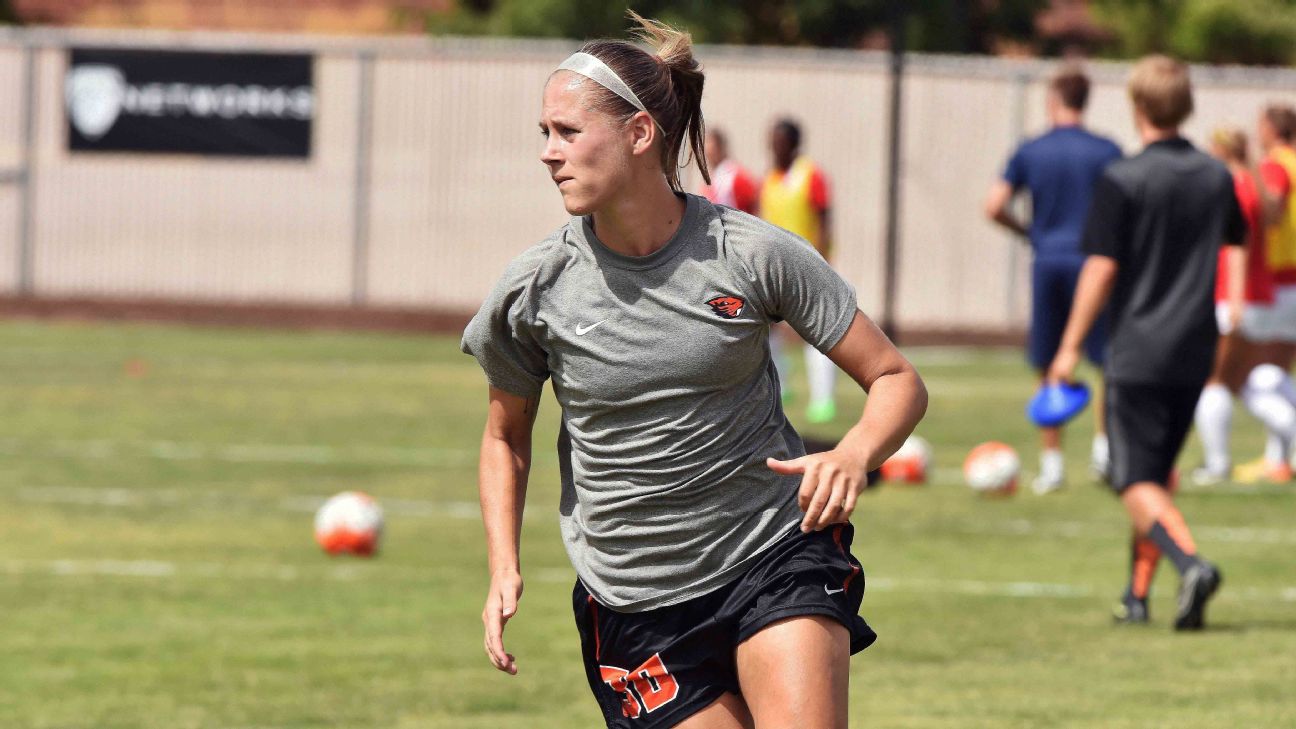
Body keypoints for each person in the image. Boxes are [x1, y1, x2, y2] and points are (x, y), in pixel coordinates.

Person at [461, 13, 928, 728]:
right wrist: (503, 564)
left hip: (773, 552)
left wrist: (856, 451)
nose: (549, 153)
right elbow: (504, 436)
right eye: (544, 134)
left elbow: (896, 379)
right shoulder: (534, 288)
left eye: (567, 131)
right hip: (633, 604)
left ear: (639, 134)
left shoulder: (752, 253)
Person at [1047, 55, 1240, 629]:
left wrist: (1068, 347)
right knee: (1154, 477)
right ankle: (1136, 598)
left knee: (1131, 480)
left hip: (1139, 348)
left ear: (1137, 107)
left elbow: (1101, 270)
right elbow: (1234, 242)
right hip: (1194, 348)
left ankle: (1192, 565)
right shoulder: (1215, 176)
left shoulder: (1124, 179)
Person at [984, 64, 1123, 494]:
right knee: (1105, 361)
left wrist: (1029, 233)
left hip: (1048, 261)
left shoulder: (1032, 149)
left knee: (1048, 362)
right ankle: (1104, 453)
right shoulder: (1107, 151)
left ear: (1053, 99)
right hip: (1094, 262)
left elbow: (993, 205)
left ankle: (1052, 464)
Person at [1193, 126, 1296, 486]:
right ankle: (1281, 452)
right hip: (1265, 295)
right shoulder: (1255, 185)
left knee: (1217, 381)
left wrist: (1234, 299)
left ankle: (1217, 463)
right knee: (1257, 379)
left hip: (1238, 296)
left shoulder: (1235, 188)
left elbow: (1239, 246)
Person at [759, 118, 839, 424]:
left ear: (793, 144)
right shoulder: (769, 178)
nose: (773, 147)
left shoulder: (810, 175)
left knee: (815, 332)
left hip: (807, 263)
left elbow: (823, 218)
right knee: (767, 329)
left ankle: (823, 400)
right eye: (771, 141)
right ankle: (779, 387)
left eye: (779, 141)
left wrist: (820, 259)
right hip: (773, 265)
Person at [1233, 105, 1296, 483]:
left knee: (1252, 375)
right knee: (1277, 373)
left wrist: (1247, 169)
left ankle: (1282, 447)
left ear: (1272, 129)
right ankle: (1278, 459)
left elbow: (1271, 208)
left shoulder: (1275, 164)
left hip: (1281, 279)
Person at [700, 126, 758, 214]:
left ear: (720, 148)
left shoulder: (733, 175)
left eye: (712, 149)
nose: (708, 154)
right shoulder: (713, 177)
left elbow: (753, 203)